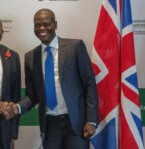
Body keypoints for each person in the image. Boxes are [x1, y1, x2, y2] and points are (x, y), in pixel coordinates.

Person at [7, 8, 98, 149]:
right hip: (50, 126)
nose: (42, 28)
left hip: (76, 123)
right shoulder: (30, 57)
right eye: (37, 25)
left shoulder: (75, 47)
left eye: (46, 24)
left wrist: (91, 120)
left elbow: (89, 84)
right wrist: (17, 107)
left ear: (55, 24)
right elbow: (33, 95)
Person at [0, 20, 21, 149]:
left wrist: (12, 134)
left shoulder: (12, 56)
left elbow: (16, 96)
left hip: (4, 127)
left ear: (2, 32)